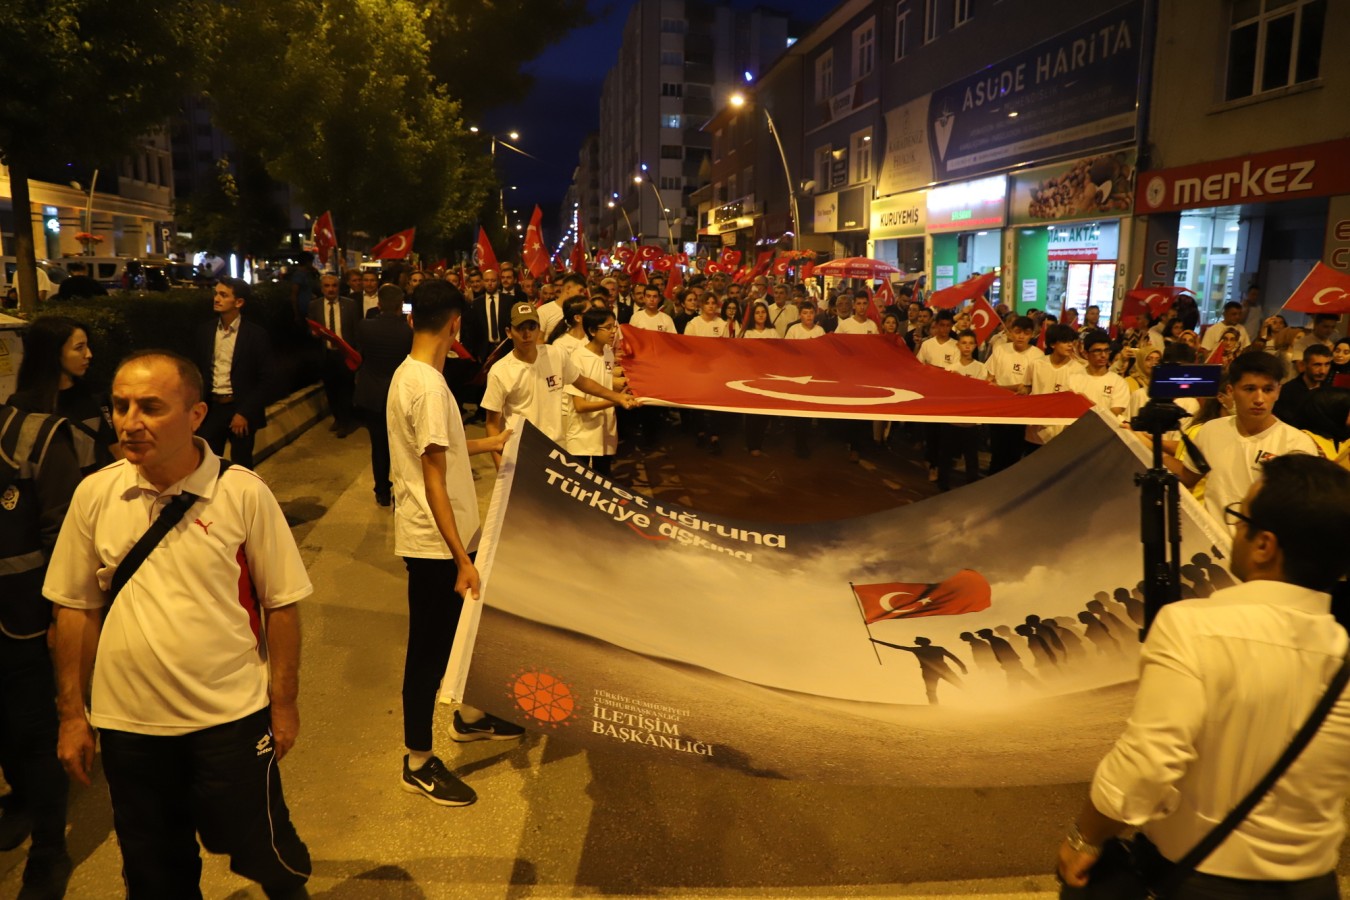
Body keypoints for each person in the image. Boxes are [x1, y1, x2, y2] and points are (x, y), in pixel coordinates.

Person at [46, 350, 312, 898]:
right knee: (155, 873)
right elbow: (74, 609)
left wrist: (283, 705)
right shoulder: (95, 494)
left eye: (150, 407)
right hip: (130, 728)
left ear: (196, 415)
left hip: (229, 719)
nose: (129, 422)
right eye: (120, 406)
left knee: (263, 850)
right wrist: (73, 715)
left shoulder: (242, 492)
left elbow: (281, 604)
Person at [1057, 455, 1350, 896]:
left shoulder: (1192, 626)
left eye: (1239, 518)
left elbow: (1148, 762)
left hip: (1201, 881)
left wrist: (1086, 837)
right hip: (1314, 885)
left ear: (1264, 545)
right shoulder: (1341, 649)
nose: (1233, 530)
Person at [386, 281, 520, 809]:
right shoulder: (427, 387)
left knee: (464, 635)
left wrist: (493, 442)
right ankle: (418, 761)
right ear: (455, 324)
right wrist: (462, 559)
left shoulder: (412, 374)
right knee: (428, 652)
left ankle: (469, 716)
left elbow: (442, 448)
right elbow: (434, 478)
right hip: (436, 546)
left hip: (449, 538)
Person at [0, 399, 80, 896]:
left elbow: (65, 539)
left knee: (34, 732)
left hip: (22, 621)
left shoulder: (36, 436)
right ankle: (23, 800)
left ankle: (50, 849)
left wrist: (58, 617)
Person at [1161, 351, 1318, 532]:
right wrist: (1150, 450)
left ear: (1278, 391)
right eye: (1249, 389)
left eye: (1268, 390)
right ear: (1231, 391)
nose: (1259, 399)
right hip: (1211, 542)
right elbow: (1188, 477)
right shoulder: (1211, 430)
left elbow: (1300, 512)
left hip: (1260, 545)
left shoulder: (1297, 444)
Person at [483, 303, 639, 467]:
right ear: (509, 332)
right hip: (521, 451)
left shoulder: (555, 354)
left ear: (539, 329)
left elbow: (583, 382)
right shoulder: (500, 371)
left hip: (556, 449)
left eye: (532, 327)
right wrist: (502, 468)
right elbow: (492, 424)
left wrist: (617, 397)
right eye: (520, 328)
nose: (527, 334)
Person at [10, 316, 121, 476]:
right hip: (58, 490)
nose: (88, 354)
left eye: (87, 346)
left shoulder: (96, 394)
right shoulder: (24, 405)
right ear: (53, 352)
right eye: (79, 348)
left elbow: (114, 446)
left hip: (101, 486)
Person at [195, 278, 271, 469]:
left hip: (240, 408)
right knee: (207, 465)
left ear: (239, 302)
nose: (217, 299)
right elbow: (198, 371)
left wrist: (244, 413)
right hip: (212, 409)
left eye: (223, 295)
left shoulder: (255, 335)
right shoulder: (205, 331)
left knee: (241, 466)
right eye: (216, 294)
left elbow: (266, 379)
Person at [354, 284, 413, 507]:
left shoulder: (365, 326)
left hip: (372, 395)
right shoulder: (408, 332)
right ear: (400, 305)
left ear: (378, 304)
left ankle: (381, 491)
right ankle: (401, 491)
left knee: (378, 446)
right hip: (398, 394)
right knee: (401, 446)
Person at [565, 308, 623, 475]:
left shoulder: (607, 353)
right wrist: (616, 400)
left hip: (606, 432)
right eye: (608, 327)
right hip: (584, 436)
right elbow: (580, 406)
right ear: (592, 331)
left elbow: (605, 385)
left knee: (604, 479)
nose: (613, 331)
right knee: (581, 482)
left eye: (614, 326)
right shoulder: (578, 358)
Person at [309, 273, 360, 437]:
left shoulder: (350, 305)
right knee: (330, 389)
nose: (331, 289)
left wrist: (357, 354)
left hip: (345, 354)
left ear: (339, 287)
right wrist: (313, 334)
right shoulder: (314, 306)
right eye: (327, 286)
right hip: (326, 355)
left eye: (334, 285)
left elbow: (356, 330)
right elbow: (310, 327)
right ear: (322, 288)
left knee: (346, 389)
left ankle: (345, 422)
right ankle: (337, 418)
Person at [1068, 330, 1129, 423]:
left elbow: (1114, 413)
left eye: (1106, 350)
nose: (1103, 355)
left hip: (1106, 429)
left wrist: (1088, 403)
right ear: (1086, 353)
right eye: (1097, 351)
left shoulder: (1119, 382)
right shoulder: (1073, 380)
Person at [1273, 344, 1332, 428]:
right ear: (1304, 365)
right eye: (1317, 365)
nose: (1323, 371)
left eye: (1327, 365)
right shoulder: (1287, 391)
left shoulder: (1330, 390)